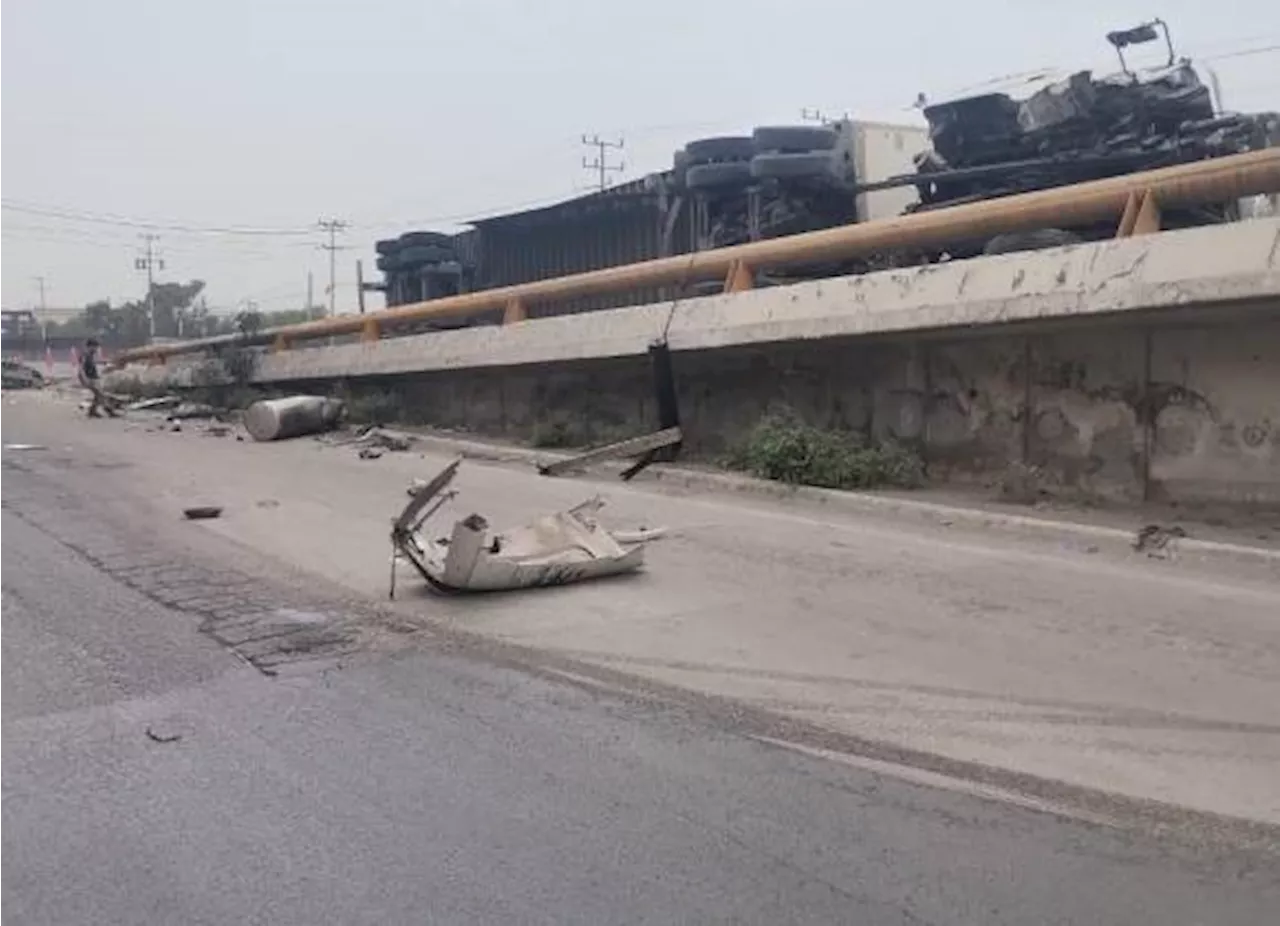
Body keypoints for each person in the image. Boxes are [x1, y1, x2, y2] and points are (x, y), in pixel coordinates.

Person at [78, 338, 118, 418]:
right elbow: (81, 368)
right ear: (90, 346)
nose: (96, 349)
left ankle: (93, 411)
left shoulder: (90, 355)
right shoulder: (85, 355)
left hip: (93, 378)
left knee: (98, 395)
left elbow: (95, 362)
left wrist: (106, 363)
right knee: (100, 394)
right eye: (95, 347)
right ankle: (109, 410)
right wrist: (85, 378)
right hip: (89, 378)